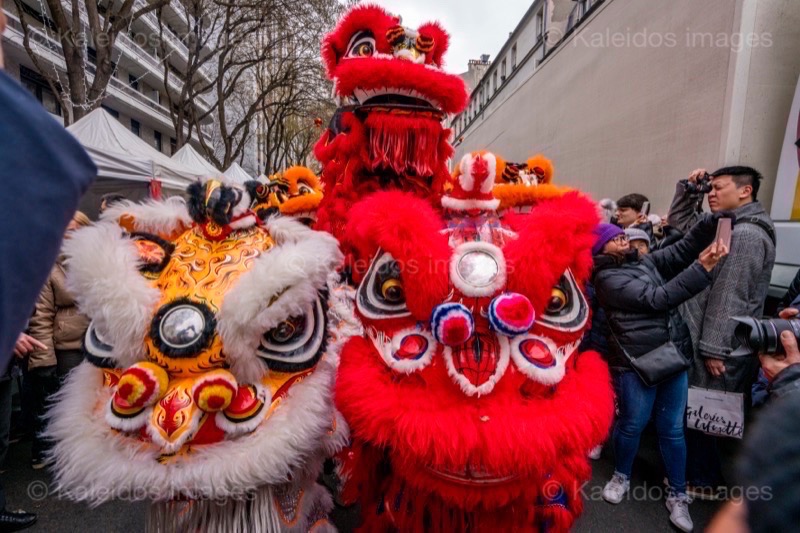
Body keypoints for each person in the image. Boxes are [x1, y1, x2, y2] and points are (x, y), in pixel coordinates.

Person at [0, 0, 95, 526]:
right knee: (51, 413)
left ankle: (67, 464)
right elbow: (36, 307)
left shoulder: (71, 256)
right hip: (53, 348)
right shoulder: (40, 257)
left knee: (72, 413)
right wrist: (34, 353)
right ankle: (49, 463)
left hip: (76, 344)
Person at [592, 218, 729, 533]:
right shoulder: (607, 278)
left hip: (672, 356)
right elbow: (658, 299)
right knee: (632, 425)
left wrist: (710, 222)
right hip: (637, 362)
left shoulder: (642, 261)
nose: (624, 238)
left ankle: (678, 494)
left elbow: (681, 250)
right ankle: (621, 476)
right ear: (601, 248)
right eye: (615, 237)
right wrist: (702, 268)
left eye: (623, 234)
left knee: (672, 430)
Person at [669, 167, 776, 499]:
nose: (711, 194)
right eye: (709, 188)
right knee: (704, 414)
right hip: (712, 337)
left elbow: (730, 295)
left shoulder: (745, 235)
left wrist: (714, 348)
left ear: (744, 192)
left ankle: (703, 482)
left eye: (718, 188)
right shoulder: (730, 226)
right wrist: (689, 189)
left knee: (705, 415)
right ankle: (702, 476)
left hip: (719, 344)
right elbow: (680, 227)